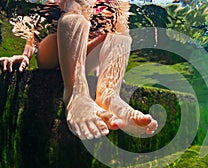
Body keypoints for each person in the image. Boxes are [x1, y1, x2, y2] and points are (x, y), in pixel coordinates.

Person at [0, 0, 158, 140]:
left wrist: (108, 74)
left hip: (82, 54)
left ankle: (109, 97)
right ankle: (76, 93)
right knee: (76, 8)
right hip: (53, 51)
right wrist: (25, 56)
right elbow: (34, 28)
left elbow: (116, 35)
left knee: (120, 34)